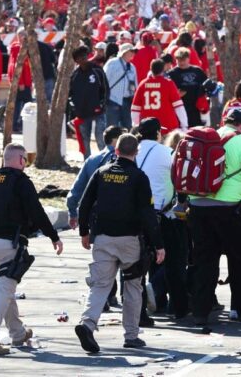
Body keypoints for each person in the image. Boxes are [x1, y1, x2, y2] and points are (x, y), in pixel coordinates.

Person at [0, 143, 64, 356]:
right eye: (25, 160)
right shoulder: (21, 181)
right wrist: (53, 236)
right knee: (4, 292)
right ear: (20, 160)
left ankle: (18, 333)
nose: (25, 164)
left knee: (4, 290)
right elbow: (36, 212)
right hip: (10, 245)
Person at [76, 133, 165, 353]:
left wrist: (84, 232)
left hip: (103, 238)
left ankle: (87, 324)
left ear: (116, 151)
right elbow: (147, 213)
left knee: (101, 285)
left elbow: (84, 204)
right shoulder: (139, 177)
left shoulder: (101, 173)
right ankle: (131, 336)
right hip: (130, 241)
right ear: (136, 153)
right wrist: (158, 244)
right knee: (133, 285)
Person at [187, 107, 241, 328]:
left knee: (205, 260)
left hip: (198, 205)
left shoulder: (207, 138)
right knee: (238, 259)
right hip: (230, 208)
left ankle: (201, 311)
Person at [134, 118, 184, 320]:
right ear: (157, 134)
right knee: (174, 260)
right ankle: (176, 306)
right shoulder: (166, 153)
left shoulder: (132, 150)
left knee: (138, 262)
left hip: (136, 216)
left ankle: (144, 306)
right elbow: (178, 178)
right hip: (164, 215)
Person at [67, 126, 125, 230]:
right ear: (116, 140)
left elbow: (77, 189)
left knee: (98, 244)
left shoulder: (91, 160)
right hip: (120, 216)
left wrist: (72, 213)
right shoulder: (124, 159)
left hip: (95, 216)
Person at [69, 46, 109, 159]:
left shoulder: (97, 70)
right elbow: (70, 94)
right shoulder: (75, 75)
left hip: (98, 112)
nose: (83, 59)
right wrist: (74, 108)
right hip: (82, 113)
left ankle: (105, 160)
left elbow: (105, 89)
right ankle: (87, 162)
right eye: (79, 58)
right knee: (84, 139)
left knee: (100, 137)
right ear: (76, 61)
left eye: (84, 56)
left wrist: (102, 105)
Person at [131, 59, 187, 135]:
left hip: (148, 128)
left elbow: (135, 110)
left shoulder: (143, 84)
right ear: (163, 69)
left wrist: (136, 125)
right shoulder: (168, 84)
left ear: (151, 68)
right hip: (167, 127)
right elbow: (179, 107)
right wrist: (184, 125)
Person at [104, 43, 138, 129]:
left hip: (127, 101)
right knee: (112, 129)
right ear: (124, 52)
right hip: (112, 100)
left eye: (134, 51)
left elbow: (135, 84)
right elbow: (104, 80)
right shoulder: (112, 63)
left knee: (127, 128)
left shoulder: (132, 67)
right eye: (131, 51)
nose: (133, 53)